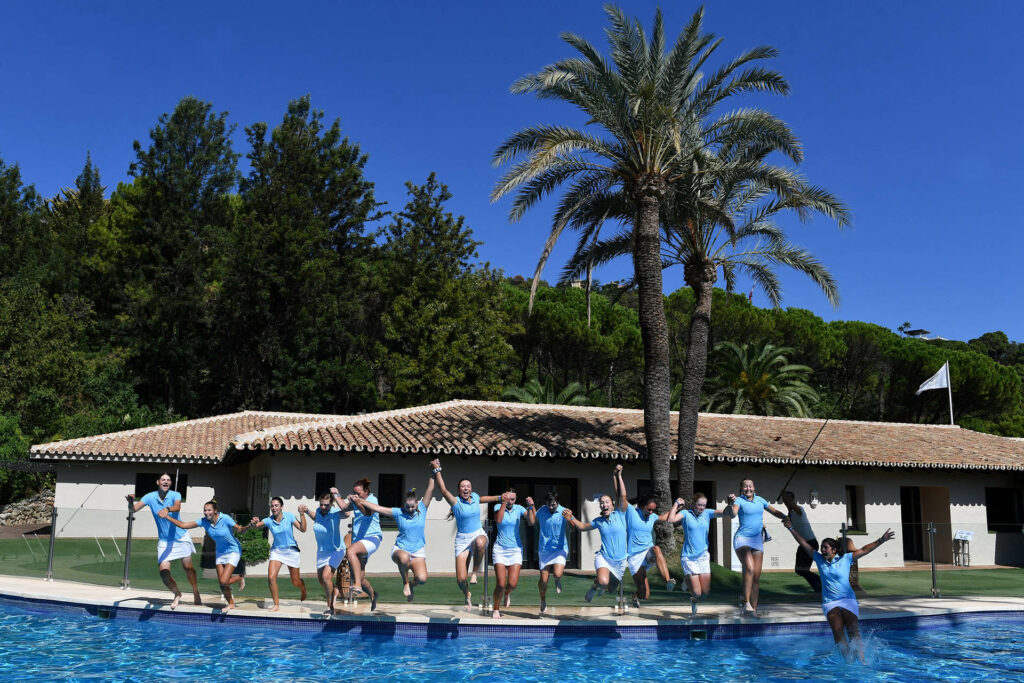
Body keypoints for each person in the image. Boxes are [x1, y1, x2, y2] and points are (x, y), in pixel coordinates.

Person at [785, 519, 895, 662]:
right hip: (830, 603)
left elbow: (864, 550)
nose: (822, 550)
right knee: (837, 632)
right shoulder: (818, 559)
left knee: (853, 631)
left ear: (834, 549)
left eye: (825, 547)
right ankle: (848, 662)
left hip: (848, 600)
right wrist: (791, 527)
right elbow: (803, 543)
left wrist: (881, 540)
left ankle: (862, 661)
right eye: (822, 547)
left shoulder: (846, 559)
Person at [349, 467, 435, 603]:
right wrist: (360, 501)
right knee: (404, 558)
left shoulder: (422, 509)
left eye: (413, 507)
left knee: (422, 579)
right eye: (408, 507)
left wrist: (434, 472)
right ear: (403, 505)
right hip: (400, 549)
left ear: (417, 504)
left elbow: (430, 490)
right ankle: (405, 582)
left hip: (418, 550)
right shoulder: (398, 512)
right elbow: (378, 508)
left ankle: (411, 585)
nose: (410, 510)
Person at [432, 458, 500, 611]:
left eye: (468, 486)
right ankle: (467, 594)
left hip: (477, 533)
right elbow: (443, 490)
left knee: (481, 543)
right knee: (461, 579)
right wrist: (437, 470)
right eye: (463, 486)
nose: (466, 488)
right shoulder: (455, 502)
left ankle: (475, 572)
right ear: (459, 490)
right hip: (462, 540)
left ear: (471, 489)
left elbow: (482, 499)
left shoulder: (475, 497)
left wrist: (499, 498)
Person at [125, 473, 200, 609]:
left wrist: (167, 509)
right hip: (165, 541)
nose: (166, 482)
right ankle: (177, 594)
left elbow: (177, 507)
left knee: (188, 567)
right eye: (163, 480)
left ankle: (195, 590)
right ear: (158, 482)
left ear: (170, 483)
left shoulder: (175, 495)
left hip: (181, 537)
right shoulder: (149, 497)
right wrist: (130, 502)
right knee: (164, 573)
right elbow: (133, 510)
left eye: (168, 480)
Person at [160, 500, 246, 612]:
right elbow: (183, 525)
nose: (206, 512)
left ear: (215, 511)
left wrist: (249, 526)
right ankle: (231, 604)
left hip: (233, 550)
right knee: (222, 584)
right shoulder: (204, 521)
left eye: (209, 510)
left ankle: (240, 577)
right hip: (220, 552)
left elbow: (239, 529)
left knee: (224, 581)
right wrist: (167, 517)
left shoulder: (225, 518)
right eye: (205, 510)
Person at [563, 465, 629, 604]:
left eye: (606, 502)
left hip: (620, 561)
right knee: (604, 582)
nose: (604, 504)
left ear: (612, 505)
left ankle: (597, 583)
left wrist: (618, 475)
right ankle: (595, 587)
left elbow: (622, 495)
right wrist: (571, 518)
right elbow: (581, 527)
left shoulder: (621, 514)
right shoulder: (598, 521)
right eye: (601, 503)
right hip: (604, 557)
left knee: (611, 589)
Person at [723, 478, 788, 615]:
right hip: (742, 539)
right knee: (750, 568)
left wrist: (786, 517)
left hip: (757, 540)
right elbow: (733, 513)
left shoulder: (760, 500)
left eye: (750, 486)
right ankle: (745, 602)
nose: (748, 488)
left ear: (754, 488)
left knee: (756, 577)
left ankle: (753, 609)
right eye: (745, 486)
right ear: (741, 489)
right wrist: (730, 503)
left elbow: (774, 511)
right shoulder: (739, 501)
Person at [618, 467, 676, 608]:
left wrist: (676, 505)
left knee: (656, 548)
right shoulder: (632, 512)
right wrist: (619, 475)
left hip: (647, 552)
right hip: (634, 557)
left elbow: (667, 518)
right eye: (648, 509)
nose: (651, 512)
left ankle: (668, 580)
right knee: (645, 595)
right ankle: (635, 595)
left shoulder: (653, 516)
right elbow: (623, 497)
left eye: (653, 510)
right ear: (642, 506)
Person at [667, 492, 725, 615]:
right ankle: (688, 581)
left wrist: (731, 505)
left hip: (703, 556)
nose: (702, 508)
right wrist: (676, 504)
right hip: (689, 557)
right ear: (693, 504)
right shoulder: (685, 514)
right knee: (697, 592)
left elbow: (726, 512)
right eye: (699, 505)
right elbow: (670, 519)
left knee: (705, 593)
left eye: (704, 505)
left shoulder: (707, 513)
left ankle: (693, 599)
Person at [249, 496, 307, 611]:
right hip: (277, 551)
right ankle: (276, 604)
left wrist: (302, 514)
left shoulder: (289, 516)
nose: (274, 508)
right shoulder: (269, 520)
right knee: (271, 578)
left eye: (276, 505)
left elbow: (303, 528)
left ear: (281, 507)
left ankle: (303, 588)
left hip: (291, 551)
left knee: (295, 582)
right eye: (272, 506)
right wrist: (254, 522)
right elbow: (256, 526)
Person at [299, 487, 349, 614]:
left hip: (336, 550)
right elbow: (316, 518)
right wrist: (306, 510)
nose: (323, 507)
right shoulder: (318, 511)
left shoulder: (335, 512)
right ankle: (335, 590)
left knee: (326, 577)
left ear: (331, 504)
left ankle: (330, 607)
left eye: (326, 505)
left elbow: (347, 513)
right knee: (322, 580)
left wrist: (337, 494)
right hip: (322, 551)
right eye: (321, 504)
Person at [334, 477, 382, 610]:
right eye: (354, 492)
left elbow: (368, 513)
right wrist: (336, 494)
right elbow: (344, 507)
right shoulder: (356, 501)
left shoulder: (372, 499)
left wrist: (357, 501)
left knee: (350, 551)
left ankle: (358, 586)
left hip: (372, 537)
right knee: (359, 576)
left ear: (366, 491)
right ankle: (373, 595)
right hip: (359, 541)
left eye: (358, 493)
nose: (356, 495)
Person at [527, 490, 570, 614]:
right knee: (543, 580)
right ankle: (543, 600)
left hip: (560, 549)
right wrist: (531, 507)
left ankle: (557, 579)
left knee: (557, 574)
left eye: (554, 505)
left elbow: (573, 524)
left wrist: (571, 519)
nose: (551, 507)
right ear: (546, 503)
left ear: (558, 503)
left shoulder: (564, 511)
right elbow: (532, 521)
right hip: (545, 550)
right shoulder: (542, 510)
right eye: (549, 505)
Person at [491, 487, 527, 619]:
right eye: (509, 499)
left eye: (513, 499)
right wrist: (503, 503)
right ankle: (496, 608)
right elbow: (499, 520)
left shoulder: (519, 508)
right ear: (505, 497)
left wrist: (531, 507)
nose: (511, 501)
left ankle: (507, 593)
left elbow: (532, 520)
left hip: (515, 549)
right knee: (500, 583)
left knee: (512, 584)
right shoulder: (497, 506)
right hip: (500, 549)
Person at [782, 490, 822, 593]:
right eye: (785, 500)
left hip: (810, 543)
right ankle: (819, 588)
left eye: (789, 499)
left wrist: (784, 495)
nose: (787, 501)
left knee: (802, 570)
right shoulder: (790, 514)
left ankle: (820, 585)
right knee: (800, 570)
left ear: (792, 500)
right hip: (803, 544)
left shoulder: (799, 509)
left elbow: (790, 503)